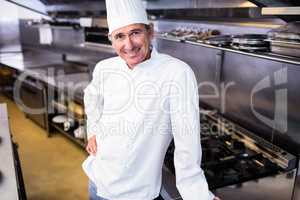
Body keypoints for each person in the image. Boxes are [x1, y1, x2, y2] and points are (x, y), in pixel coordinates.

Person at [82, 0, 220, 200]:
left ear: (150, 32)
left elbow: (186, 142)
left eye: (135, 33)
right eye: (120, 36)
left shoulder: (176, 72)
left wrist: (198, 196)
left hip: (137, 193)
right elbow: (91, 97)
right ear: (111, 40)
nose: (128, 45)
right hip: (98, 182)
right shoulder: (105, 68)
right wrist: (93, 130)